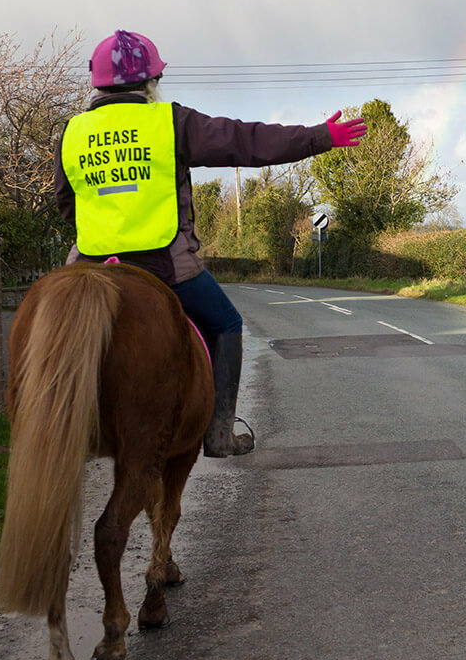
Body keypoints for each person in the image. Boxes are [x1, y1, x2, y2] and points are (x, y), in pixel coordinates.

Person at [54, 30, 367, 457]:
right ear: (150, 83)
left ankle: (52, 428)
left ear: (98, 83)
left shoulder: (72, 132)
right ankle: (219, 433)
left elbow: (64, 203)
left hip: (89, 264)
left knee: (49, 332)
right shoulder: (170, 121)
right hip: (163, 263)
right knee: (225, 324)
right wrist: (319, 136)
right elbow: (246, 141)